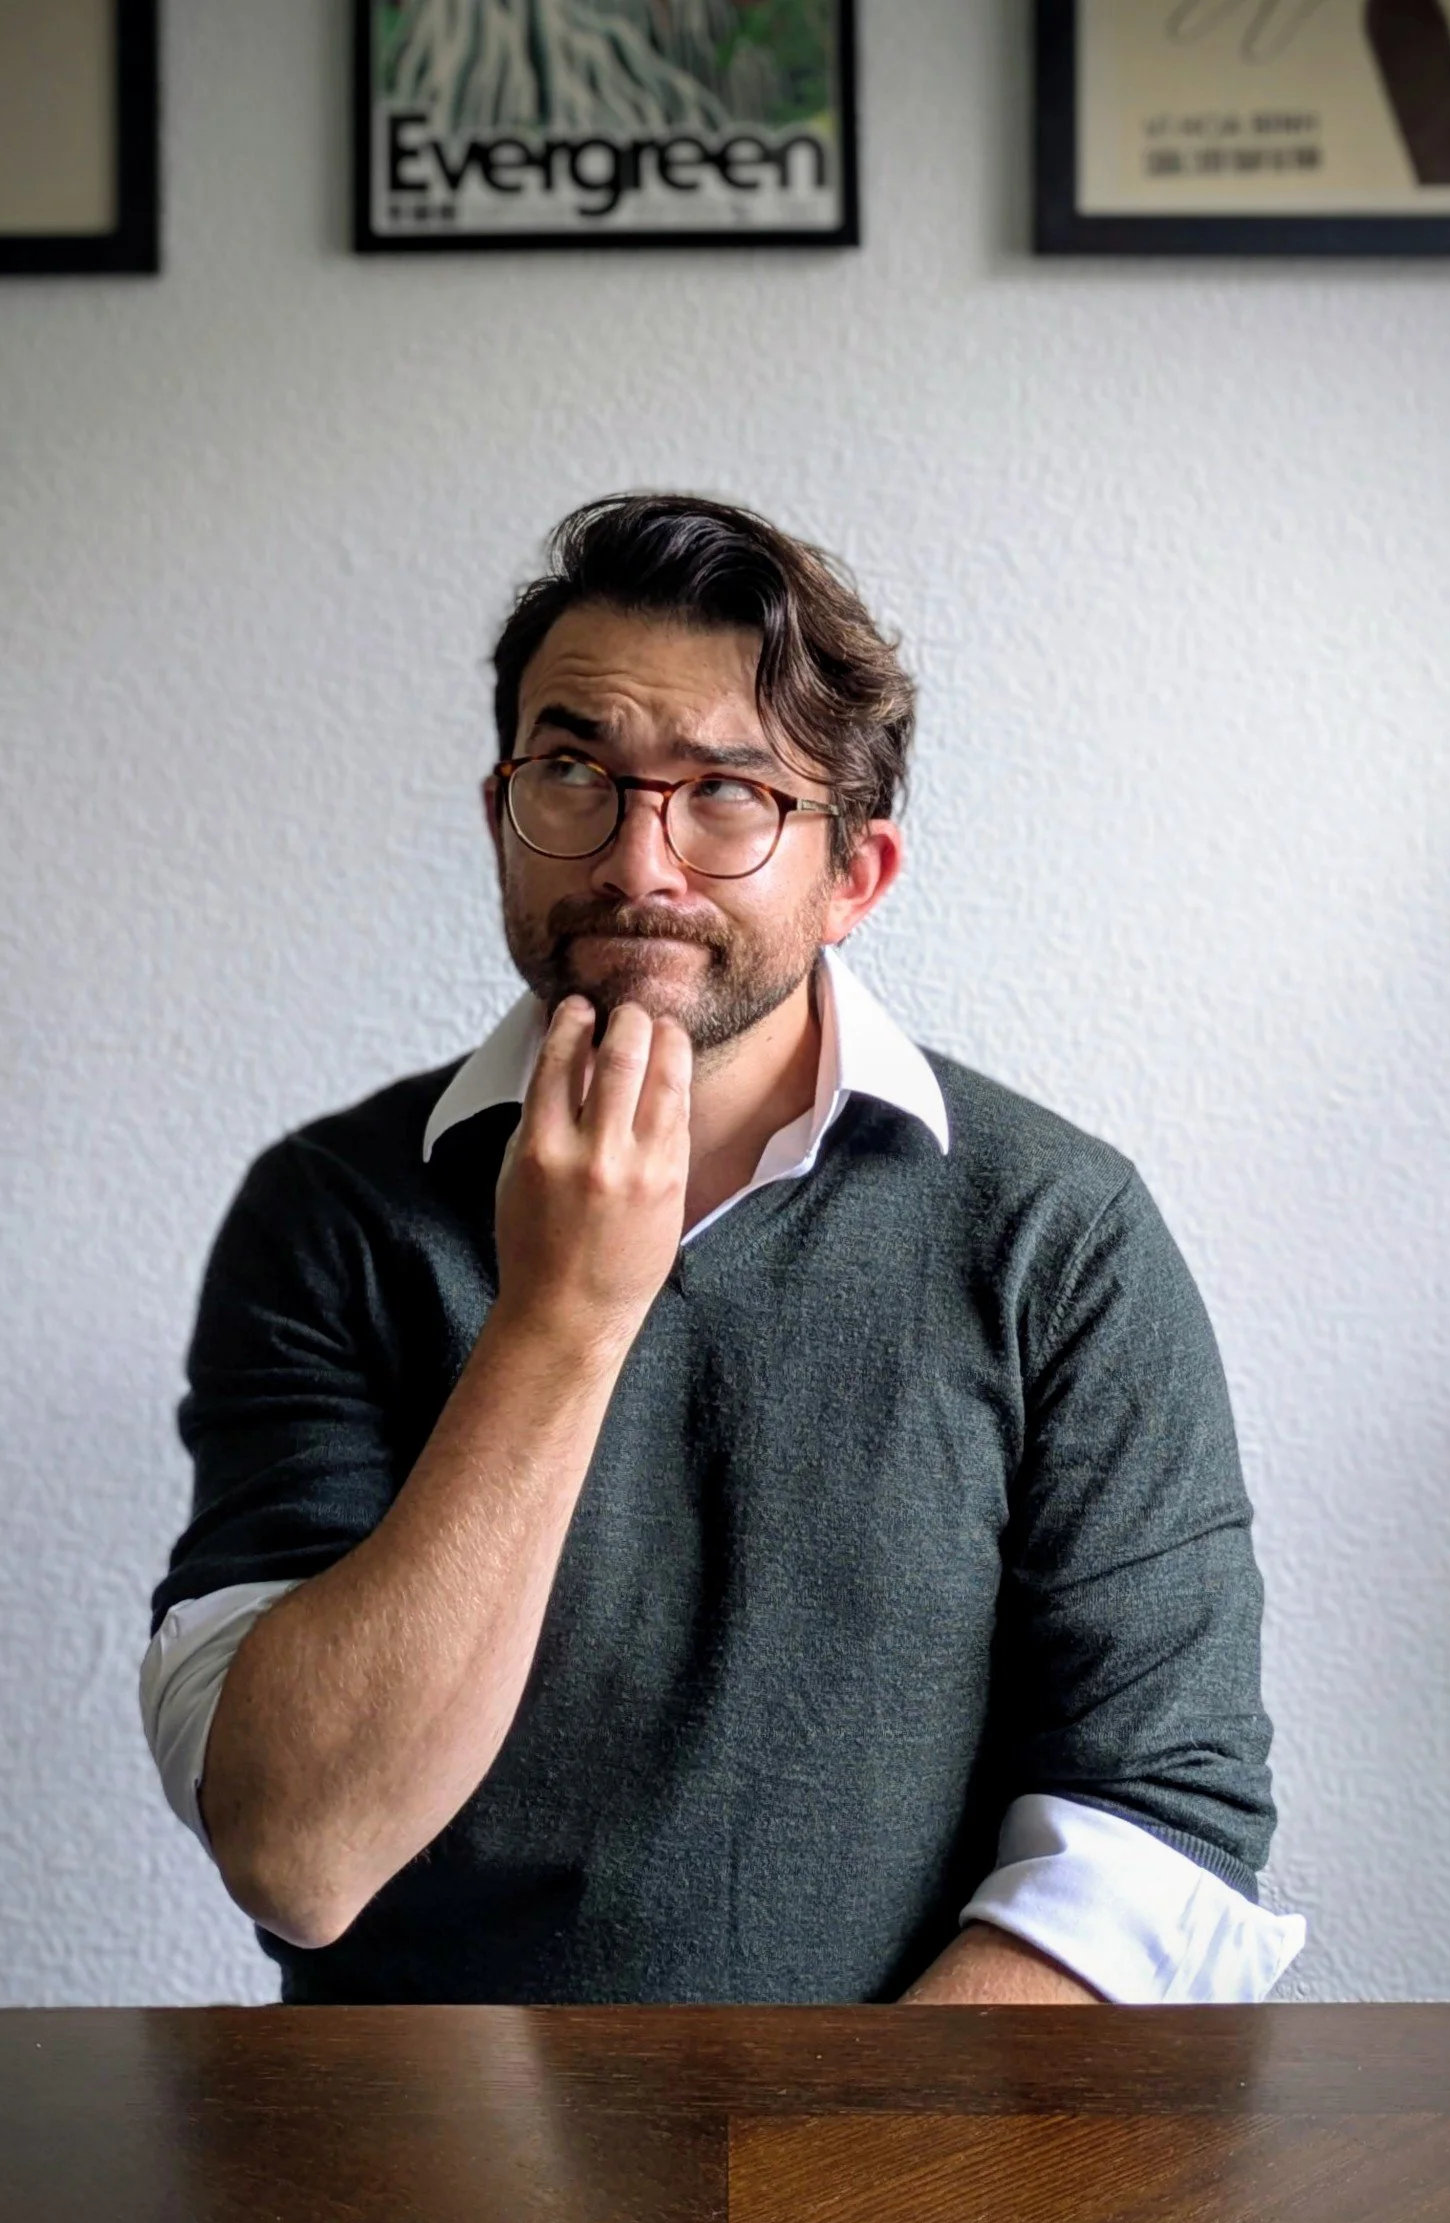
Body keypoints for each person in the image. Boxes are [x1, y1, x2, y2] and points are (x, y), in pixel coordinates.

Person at [140, 492, 1306, 2008]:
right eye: (575, 771)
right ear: (500, 814)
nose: (639, 863)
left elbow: (1160, 1821)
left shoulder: (1055, 1233)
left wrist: (854, 2141)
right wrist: (562, 1321)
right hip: (418, 2144)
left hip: (910, 2136)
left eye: (729, 794)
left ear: (854, 876)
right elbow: (300, 1851)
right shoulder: (335, 1210)